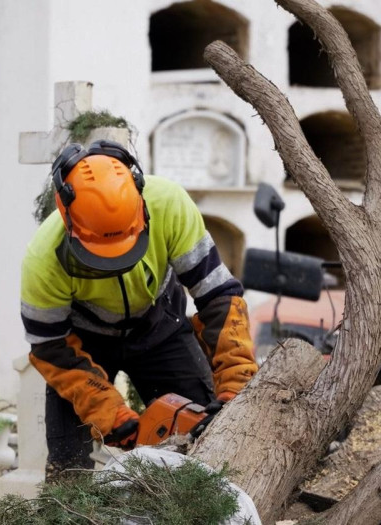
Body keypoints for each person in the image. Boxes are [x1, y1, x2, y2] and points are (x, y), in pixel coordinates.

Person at [19, 140, 258, 476]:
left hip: (161, 325)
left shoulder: (169, 204)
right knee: (69, 471)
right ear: (66, 214)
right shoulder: (43, 259)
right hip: (83, 345)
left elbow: (218, 296)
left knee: (208, 437)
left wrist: (236, 381)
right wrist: (108, 412)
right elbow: (49, 347)